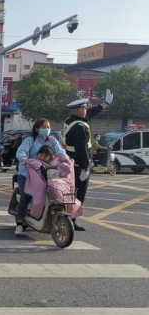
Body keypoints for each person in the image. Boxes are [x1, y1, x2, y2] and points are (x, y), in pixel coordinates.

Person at [63, 90, 113, 231]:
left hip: (71, 163)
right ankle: (72, 219)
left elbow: (90, 113)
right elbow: (82, 149)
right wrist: (85, 167)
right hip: (79, 166)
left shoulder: (71, 121)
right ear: (80, 110)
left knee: (71, 192)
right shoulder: (79, 128)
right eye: (85, 108)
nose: (87, 110)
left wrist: (104, 104)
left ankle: (69, 218)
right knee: (79, 193)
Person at [14, 118, 66, 235]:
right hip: (27, 174)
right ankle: (19, 222)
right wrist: (24, 159)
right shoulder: (30, 140)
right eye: (44, 127)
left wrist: (68, 160)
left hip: (46, 174)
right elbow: (21, 151)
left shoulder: (52, 140)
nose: (46, 129)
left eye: (48, 127)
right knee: (26, 197)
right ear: (37, 129)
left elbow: (61, 153)